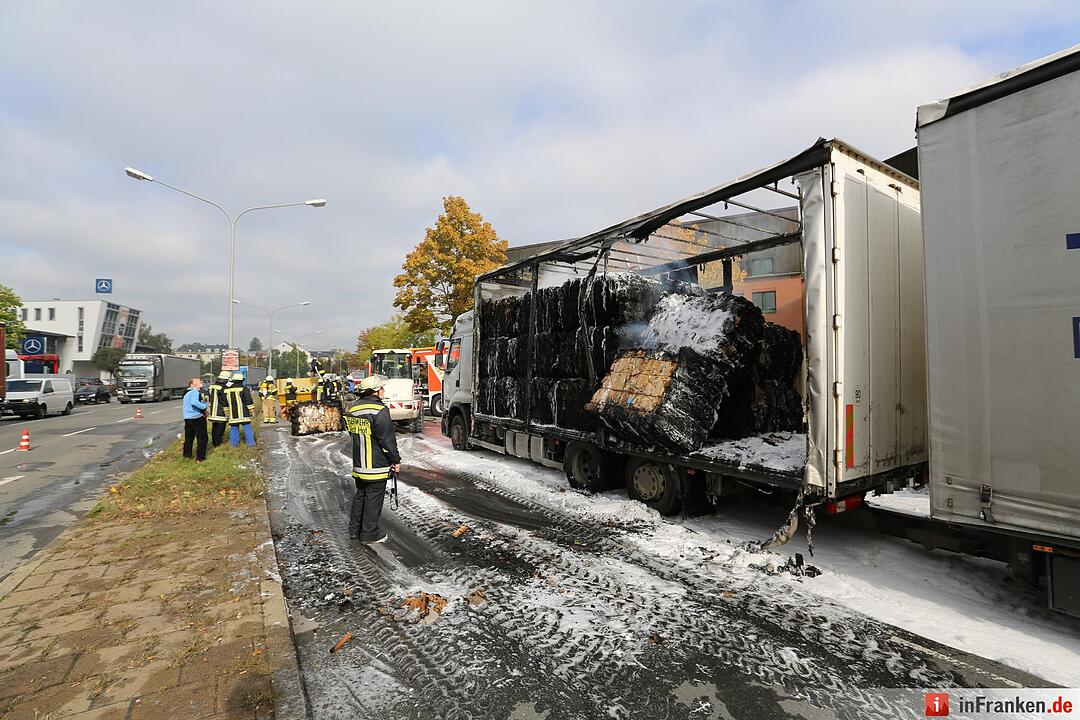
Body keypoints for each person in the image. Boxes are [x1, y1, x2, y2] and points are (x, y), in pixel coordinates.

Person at [343, 375, 401, 543]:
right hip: (376, 466)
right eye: (381, 388)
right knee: (373, 500)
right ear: (375, 392)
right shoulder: (380, 410)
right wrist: (395, 460)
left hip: (359, 465)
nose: (383, 391)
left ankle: (354, 531)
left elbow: (353, 434)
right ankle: (369, 535)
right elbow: (386, 440)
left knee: (361, 496)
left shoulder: (353, 409)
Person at [225, 372, 256, 447]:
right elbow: (249, 401)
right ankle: (251, 443)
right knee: (247, 428)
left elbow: (225, 403)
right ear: (242, 380)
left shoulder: (227, 391)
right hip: (244, 413)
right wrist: (252, 411)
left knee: (234, 428)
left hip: (233, 414)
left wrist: (227, 413)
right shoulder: (244, 389)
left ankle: (234, 445)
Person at [182, 378, 208, 461]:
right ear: (192, 385)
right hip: (197, 417)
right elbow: (194, 402)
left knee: (189, 438)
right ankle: (200, 458)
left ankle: (187, 456)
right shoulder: (194, 392)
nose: (201, 385)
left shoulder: (186, 393)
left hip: (187, 418)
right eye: (199, 383)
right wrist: (205, 407)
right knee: (202, 438)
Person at [207, 371, 231, 447]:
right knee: (220, 430)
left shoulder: (211, 387)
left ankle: (214, 443)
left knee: (214, 428)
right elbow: (224, 401)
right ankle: (218, 445)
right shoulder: (223, 388)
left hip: (212, 412)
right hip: (220, 412)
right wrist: (227, 412)